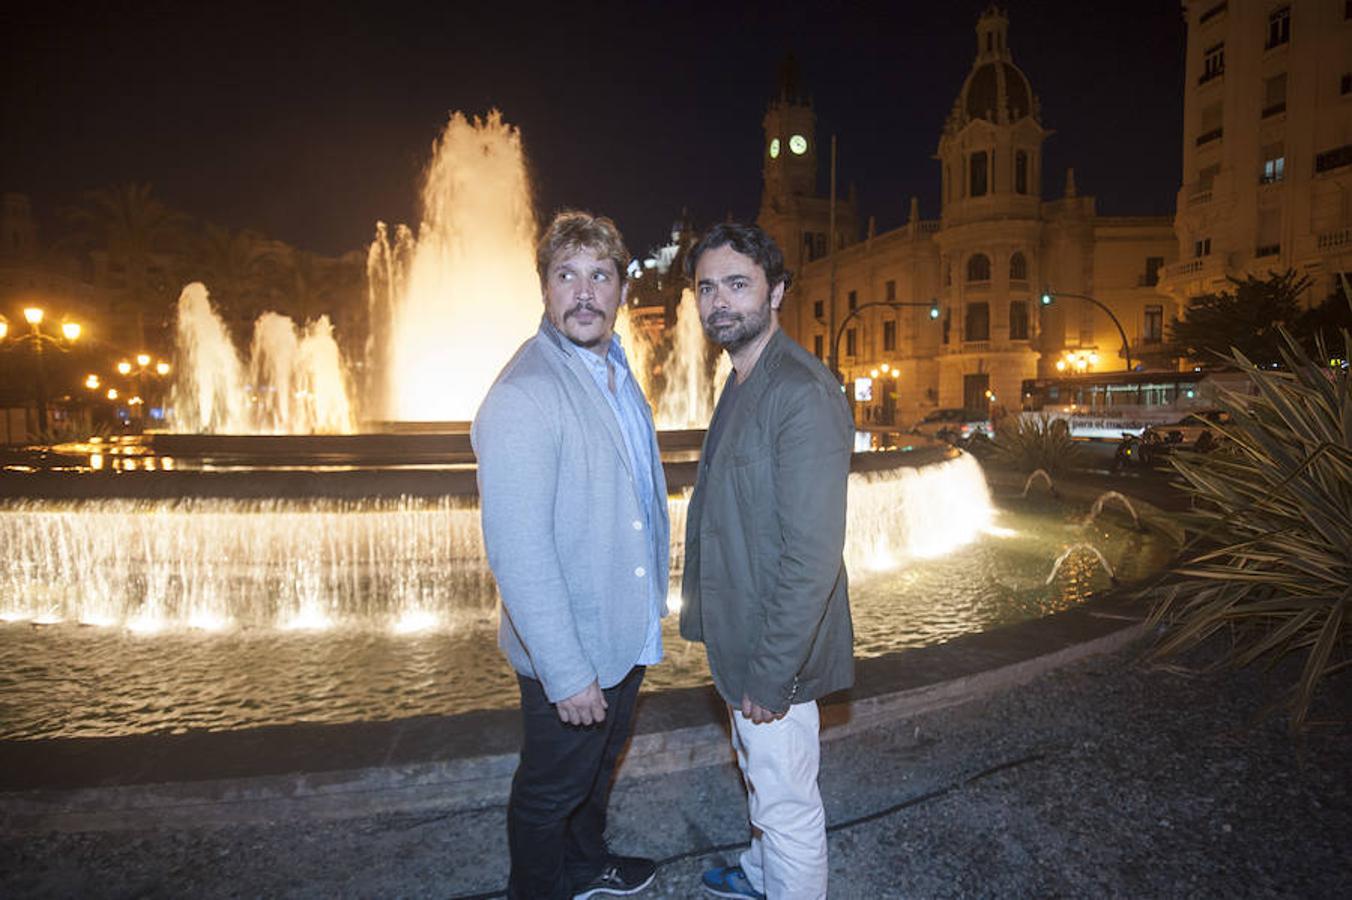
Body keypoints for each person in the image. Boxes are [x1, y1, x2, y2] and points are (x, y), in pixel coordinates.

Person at [473, 210, 668, 899]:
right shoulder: (526, 394)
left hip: (618, 634)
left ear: (620, 289)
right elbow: (518, 551)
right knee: (549, 791)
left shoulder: (611, 368)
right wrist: (566, 673)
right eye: (567, 275)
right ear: (546, 289)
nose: (584, 292)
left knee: (595, 770)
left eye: (600, 275)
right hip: (575, 653)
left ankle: (585, 868)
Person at [679, 223, 854, 900]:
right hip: (742, 636)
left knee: (786, 805)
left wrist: (773, 673)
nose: (718, 301)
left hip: (774, 653)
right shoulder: (742, 378)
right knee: (760, 776)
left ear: (776, 291)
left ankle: (782, 881)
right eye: (706, 287)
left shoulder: (801, 394)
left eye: (737, 284)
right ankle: (759, 875)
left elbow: (813, 554)